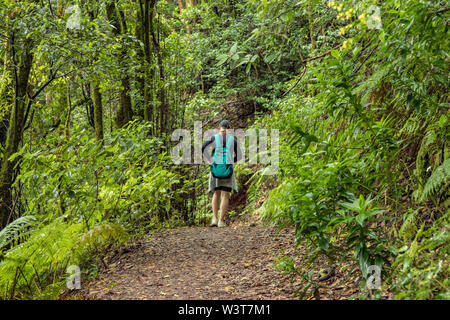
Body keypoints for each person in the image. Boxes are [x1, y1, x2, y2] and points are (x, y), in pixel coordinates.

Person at [201, 120, 242, 227]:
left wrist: (210, 160)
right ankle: (221, 221)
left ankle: (214, 219)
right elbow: (240, 155)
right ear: (229, 130)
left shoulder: (213, 138)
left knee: (216, 193)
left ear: (219, 128)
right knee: (225, 195)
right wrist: (231, 161)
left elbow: (203, 148)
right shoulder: (232, 140)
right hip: (227, 169)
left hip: (215, 169)